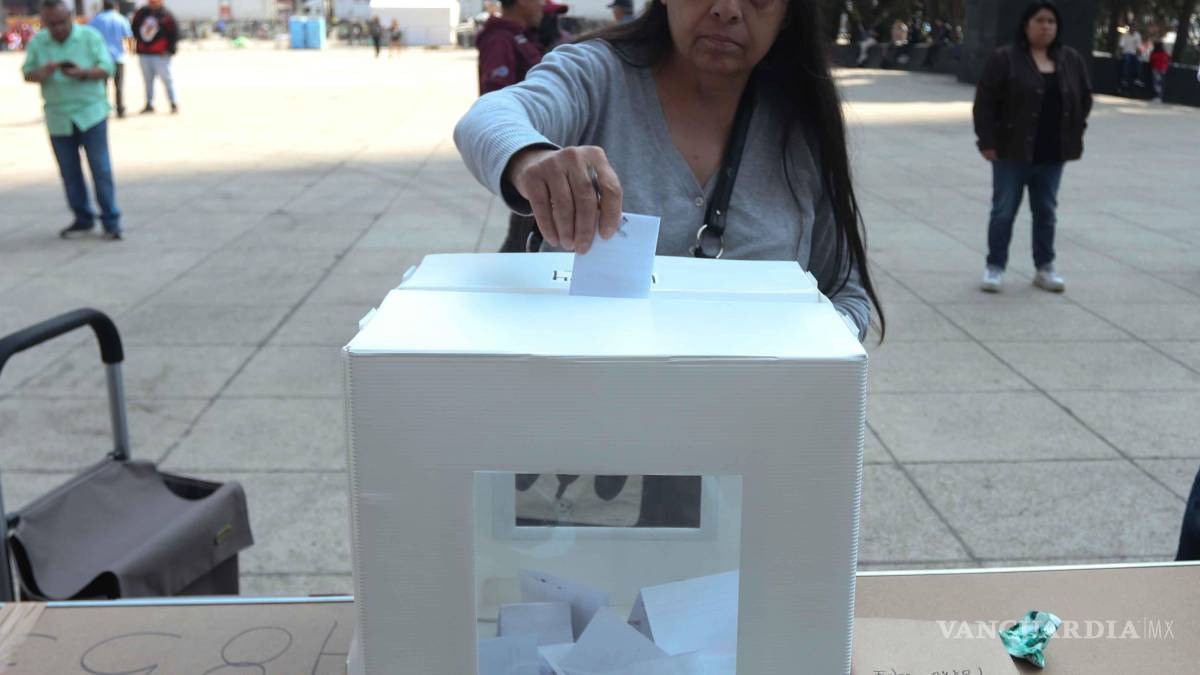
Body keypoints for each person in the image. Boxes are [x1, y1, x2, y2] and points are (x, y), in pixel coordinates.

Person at [455, 0, 883, 524]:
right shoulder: (598, 76)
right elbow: (488, 118)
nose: (727, 10)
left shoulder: (801, 124)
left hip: (741, 468)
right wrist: (531, 158)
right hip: (580, 470)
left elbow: (845, 290)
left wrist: (802, 360)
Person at [973, 0, 1091, 293]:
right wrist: (987, 141)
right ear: (1026, 25)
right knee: (1003, 211)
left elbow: (1084, 99)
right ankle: (995, 266)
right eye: (1039, 20)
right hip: (1010, 151)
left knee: (1046, 212)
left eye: (1051, 21)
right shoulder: (1005, 58)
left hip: (1052, 154)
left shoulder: (1070, 59)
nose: (1046, 27)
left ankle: (1044, 267)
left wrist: (1076, 131)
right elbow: (984, 103)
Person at [21, 0, 122, 240]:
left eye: (62, 22)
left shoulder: (89, 37)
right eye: (52, 24)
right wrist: (42, 73)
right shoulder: (39, 42)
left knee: (101, 170)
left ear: (70, 17)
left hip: (91, 113)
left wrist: (83, 73)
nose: (58, 28)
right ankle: (83, 218)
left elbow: (107, 68)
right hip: (58, 116)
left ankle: (111, 220)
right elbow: (27, 72)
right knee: (70, 173)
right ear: (44, 23)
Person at [474, 0, 545, 252]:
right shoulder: (500, 40)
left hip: (537, 149)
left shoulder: (518, 36)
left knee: (526, 236)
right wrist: (521, 152)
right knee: (520, 240)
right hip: (527, 152)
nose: (542, 6)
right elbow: (494, 99)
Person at [132, 0, 179, 114]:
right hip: (144, 53)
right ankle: (149, 104)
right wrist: (133, 47)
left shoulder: (166, 15)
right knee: (147, 81)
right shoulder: (141, 13)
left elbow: (174, 34)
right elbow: (133, 30)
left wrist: (169, 50)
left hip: (160, 55)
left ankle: (173, 103)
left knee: (167, 79)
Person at [89, 0, 133, 118]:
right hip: (118, 57)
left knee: (102, 87)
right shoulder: (121, 19)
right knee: (119, 86)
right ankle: (120, 109)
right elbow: (129, 37)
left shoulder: (97, 19)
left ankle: (104, 110)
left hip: (101, 58)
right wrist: (130, 51)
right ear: (116, 6)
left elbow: (89, 36)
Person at [1119, 23, 1141, 91]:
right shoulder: (1125, 35)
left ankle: (1137, 79)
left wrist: (1138, 54)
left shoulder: (1137, 35)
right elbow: (1121, 45)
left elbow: (1138, 47)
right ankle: (1124, 79)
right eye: (1131, 28)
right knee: (1127, 61)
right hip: (1126, 52)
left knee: (1138, 61)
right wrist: (1121, 53)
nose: (1132, 29)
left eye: (1133, 28)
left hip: (1133, 53)